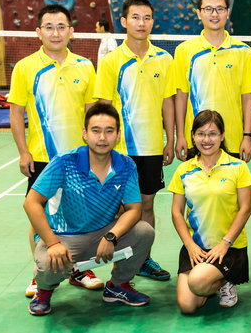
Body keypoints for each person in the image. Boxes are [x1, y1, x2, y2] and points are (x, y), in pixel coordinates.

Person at [23, 102, 155, 316]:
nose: (102, 138)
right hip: (64, 236)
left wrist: (112, 236)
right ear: (85, 133)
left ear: (118, 135)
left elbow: (134, 209)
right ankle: (44, 290)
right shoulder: (65, 162)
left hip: (102, 233)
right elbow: (31, 202)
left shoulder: (126, 165)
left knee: (144, 232)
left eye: (109, 131)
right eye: (96, 131)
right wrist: (53, 243)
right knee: (48, 263)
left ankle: (117, 286)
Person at [7, 4, 101, 297]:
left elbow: (91, 114)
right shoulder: (25, 67)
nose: (55, 33)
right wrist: (24, 152)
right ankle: (40, 272)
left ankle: (79, 269)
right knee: (40, 216)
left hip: (78, 158)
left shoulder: (85, 66)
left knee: (80, 215)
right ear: (38, 32)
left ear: (71, 31)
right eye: (49, 27)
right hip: (42, 158)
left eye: (61, 27)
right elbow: (16, 113)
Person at [94, 0, 175, 281]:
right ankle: (121, 265)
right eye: (135, 17)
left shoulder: (165, 59)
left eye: (147, 17)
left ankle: (143, 259)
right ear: (124, 21)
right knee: (121, 208)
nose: (142, 23)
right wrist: (103, 146)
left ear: (153, 22)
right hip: (119, 150)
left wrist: (170, 139)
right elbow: (103, 107)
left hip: (151, 146)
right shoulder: (111, 61)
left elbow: (168, 103)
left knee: (147, 205)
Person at [168, 110, 251, 314]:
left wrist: (225, 243)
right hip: (196, 248)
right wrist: (189, 245)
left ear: (222, 136)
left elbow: (245, 209)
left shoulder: (238, 167)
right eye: (201, 134)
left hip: (228, 247)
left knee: (197, 282)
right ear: (193, 136)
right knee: (187, 306)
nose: (206, 140)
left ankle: (226, 280)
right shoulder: (184, 170)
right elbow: (176, 212)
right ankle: (210, 279)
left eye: (212, 134)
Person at [174, 0, 251, 162]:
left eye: (220, 9)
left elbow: (248, 98)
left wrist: (247, 137)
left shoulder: (245, 52)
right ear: (199, 13)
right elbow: (181, 96)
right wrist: (180, 135)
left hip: (232, 141)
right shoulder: (183, 51)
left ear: (228, 12)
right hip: (195, 139)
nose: (214, 14)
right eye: (208, 9)